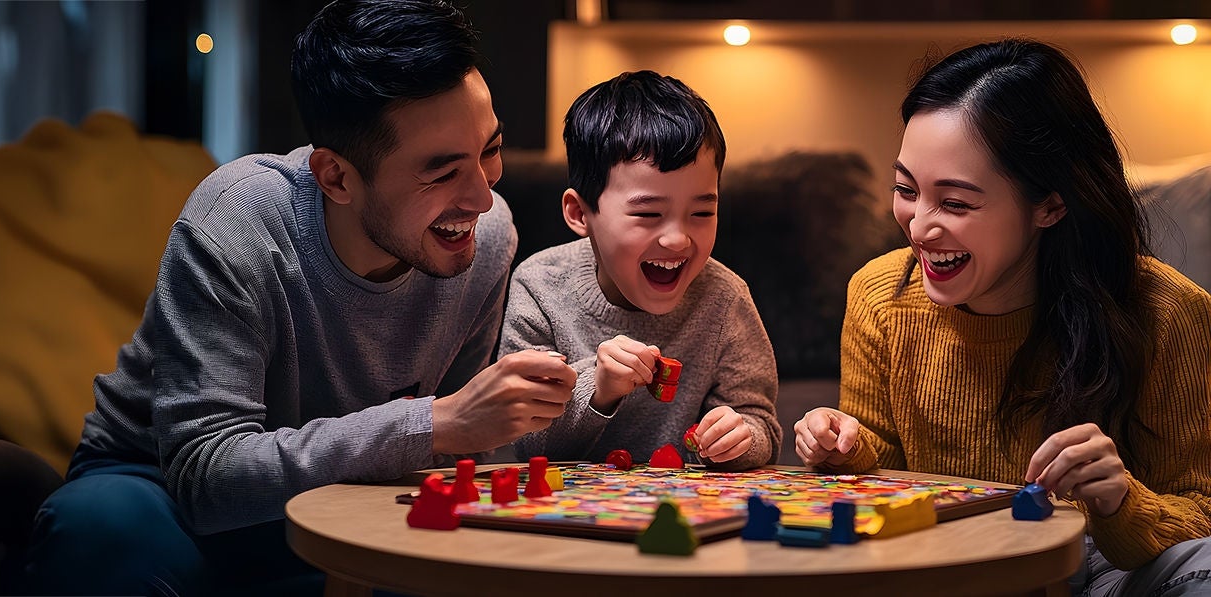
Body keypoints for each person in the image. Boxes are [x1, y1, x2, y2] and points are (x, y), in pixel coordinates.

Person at [15, 1, 577, 594]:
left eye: (490, 151)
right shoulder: (239, 221)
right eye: (441, 174)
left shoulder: (486, 238)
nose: (482, 199)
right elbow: (207, 475)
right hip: (163, 491)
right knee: (104, 530)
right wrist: (434, 424)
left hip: (356, 495)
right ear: (335, 176)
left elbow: (455, 449)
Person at [793, 39, 1209, 595]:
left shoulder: (1167, 310)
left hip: (1098, 570)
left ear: (1049, 204)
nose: (918, 226)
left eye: (956, 203)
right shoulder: (879, 296)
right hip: (937, 569)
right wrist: (843, 447)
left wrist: (1120, 499)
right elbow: (880, 485)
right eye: (905, 190)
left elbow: (1200, 511)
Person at [501, 70, 779, 470]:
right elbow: (526, 441)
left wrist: (740, 437)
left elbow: (762, 426)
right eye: (649, 213)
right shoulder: (540, 287)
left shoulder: (725, 299)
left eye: (702, 212)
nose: (678, 240)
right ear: (580, 213)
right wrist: (597, 388)